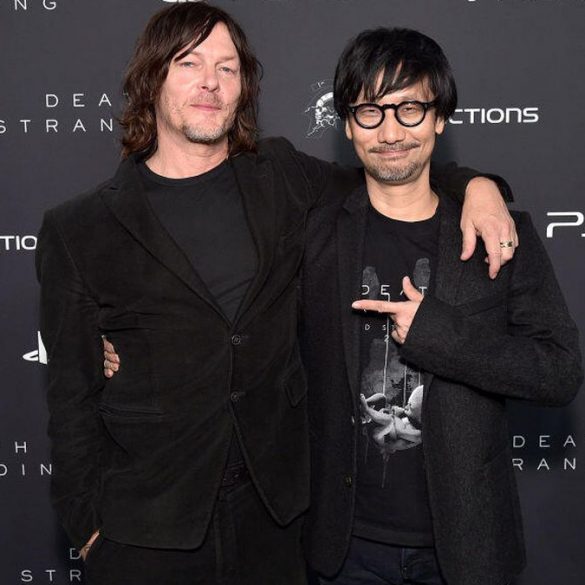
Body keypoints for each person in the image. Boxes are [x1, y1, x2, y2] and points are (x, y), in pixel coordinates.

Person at [37, 3, 515, 585]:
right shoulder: (79, 227)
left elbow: (391, 168)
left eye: (228, 68)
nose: (211, 82)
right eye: (189, 63)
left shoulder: (282, 174)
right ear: (152, 78)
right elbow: (70, 397)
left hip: (276, 520)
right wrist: (87, 527)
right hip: (145, 527)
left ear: (244, 87)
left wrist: (480, 186)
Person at [299, 27, 582, 585]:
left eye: (410, 109)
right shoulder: (315, 233)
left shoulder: (500, 234)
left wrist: (437, 334)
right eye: (370, 112)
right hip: (343, 549)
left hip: (468, 547)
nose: (390, 132)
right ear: (348, 124)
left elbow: (558, 372)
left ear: (440, 118)